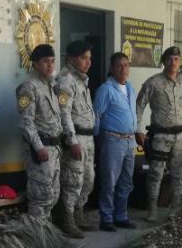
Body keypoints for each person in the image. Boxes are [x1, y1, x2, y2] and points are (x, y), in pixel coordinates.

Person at [135, 46, 182, 222]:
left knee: (179, 174)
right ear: (163, 61)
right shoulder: (153, 82)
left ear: (180, 61)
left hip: (180, 137)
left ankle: (175, 209)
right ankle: (152, 209)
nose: (173, 62)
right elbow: (139, 106)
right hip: (160, 136)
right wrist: (138, 129)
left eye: (176, 59)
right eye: (169, 59)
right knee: (155, 173)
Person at [15, 44, 63, 222]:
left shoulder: (50, 85)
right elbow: (26, 122)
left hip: (54, 149)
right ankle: (37, 238)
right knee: (40, 196)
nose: (50, 65)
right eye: (45, 61)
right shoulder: (29, 87)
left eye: (52, 61)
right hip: (40, 150)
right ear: (35, 63)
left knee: (52, 195)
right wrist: (38, 147)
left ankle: (46, 235)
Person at [55, 40, 97, 237]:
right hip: (76, 138)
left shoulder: (82, 80)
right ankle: (67, 218)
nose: (88, 62)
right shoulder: (66, 81)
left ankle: (79, 212)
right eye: (83, 58)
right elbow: (64, 114)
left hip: (88, 137)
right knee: (73, 180)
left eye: (89, 58)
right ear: (71, 58)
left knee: (88, 179)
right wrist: (72, 141)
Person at [93, 52, 138, 231]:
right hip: (112, 140)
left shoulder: (130, 88)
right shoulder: (106, 89)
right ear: (112, 69)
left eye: (126, 65)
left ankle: (121, 216)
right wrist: (98, 140)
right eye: (119, 65)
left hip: (129, 142)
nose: (123, 69)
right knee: (109, 181)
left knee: (126, 181)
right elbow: (96, 115)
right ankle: (106, 218)